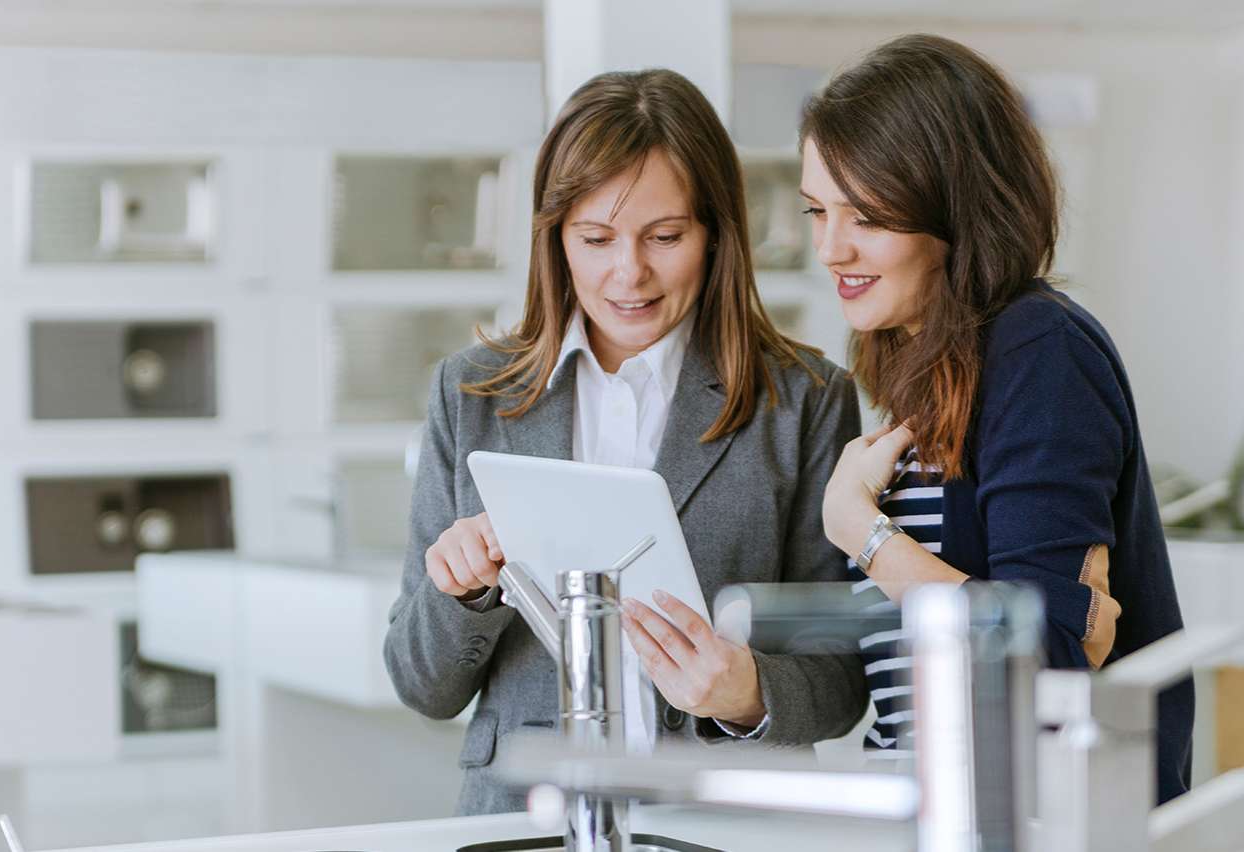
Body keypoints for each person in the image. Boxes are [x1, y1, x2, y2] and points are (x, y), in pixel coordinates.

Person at [383, 68, 868, 816]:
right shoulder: (471, 393)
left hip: (720, 822)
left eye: (664, 236)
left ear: (714, 234)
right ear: (556, 238)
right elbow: (421, 686)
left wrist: (745, 694)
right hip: (525, 815)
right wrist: (461, 593)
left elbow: (838, 681)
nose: (628, 272)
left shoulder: (803, 402)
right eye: (595, 238)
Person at [804, 34, 1193, 803]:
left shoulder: (1035, 347)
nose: (829, 247)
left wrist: (862, 531)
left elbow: (1046, 650)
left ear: (954, 210)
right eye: (817, 211)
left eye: (867, 217)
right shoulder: (917, 367)